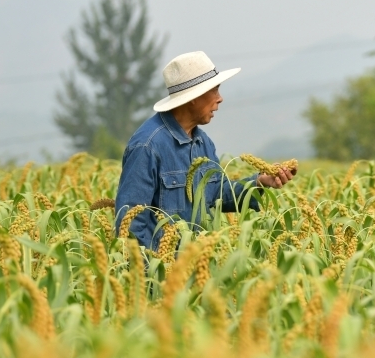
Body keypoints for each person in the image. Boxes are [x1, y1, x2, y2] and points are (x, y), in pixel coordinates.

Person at [115, 51, 294, 250]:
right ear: (194, 96)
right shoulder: (147, 146)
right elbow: (130, 224)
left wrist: (259, 181)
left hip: (198, 262)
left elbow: (217, 194)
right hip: (163, 267)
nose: (220, 98)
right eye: (215, 90)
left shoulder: (203, 143)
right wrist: (154, 267)